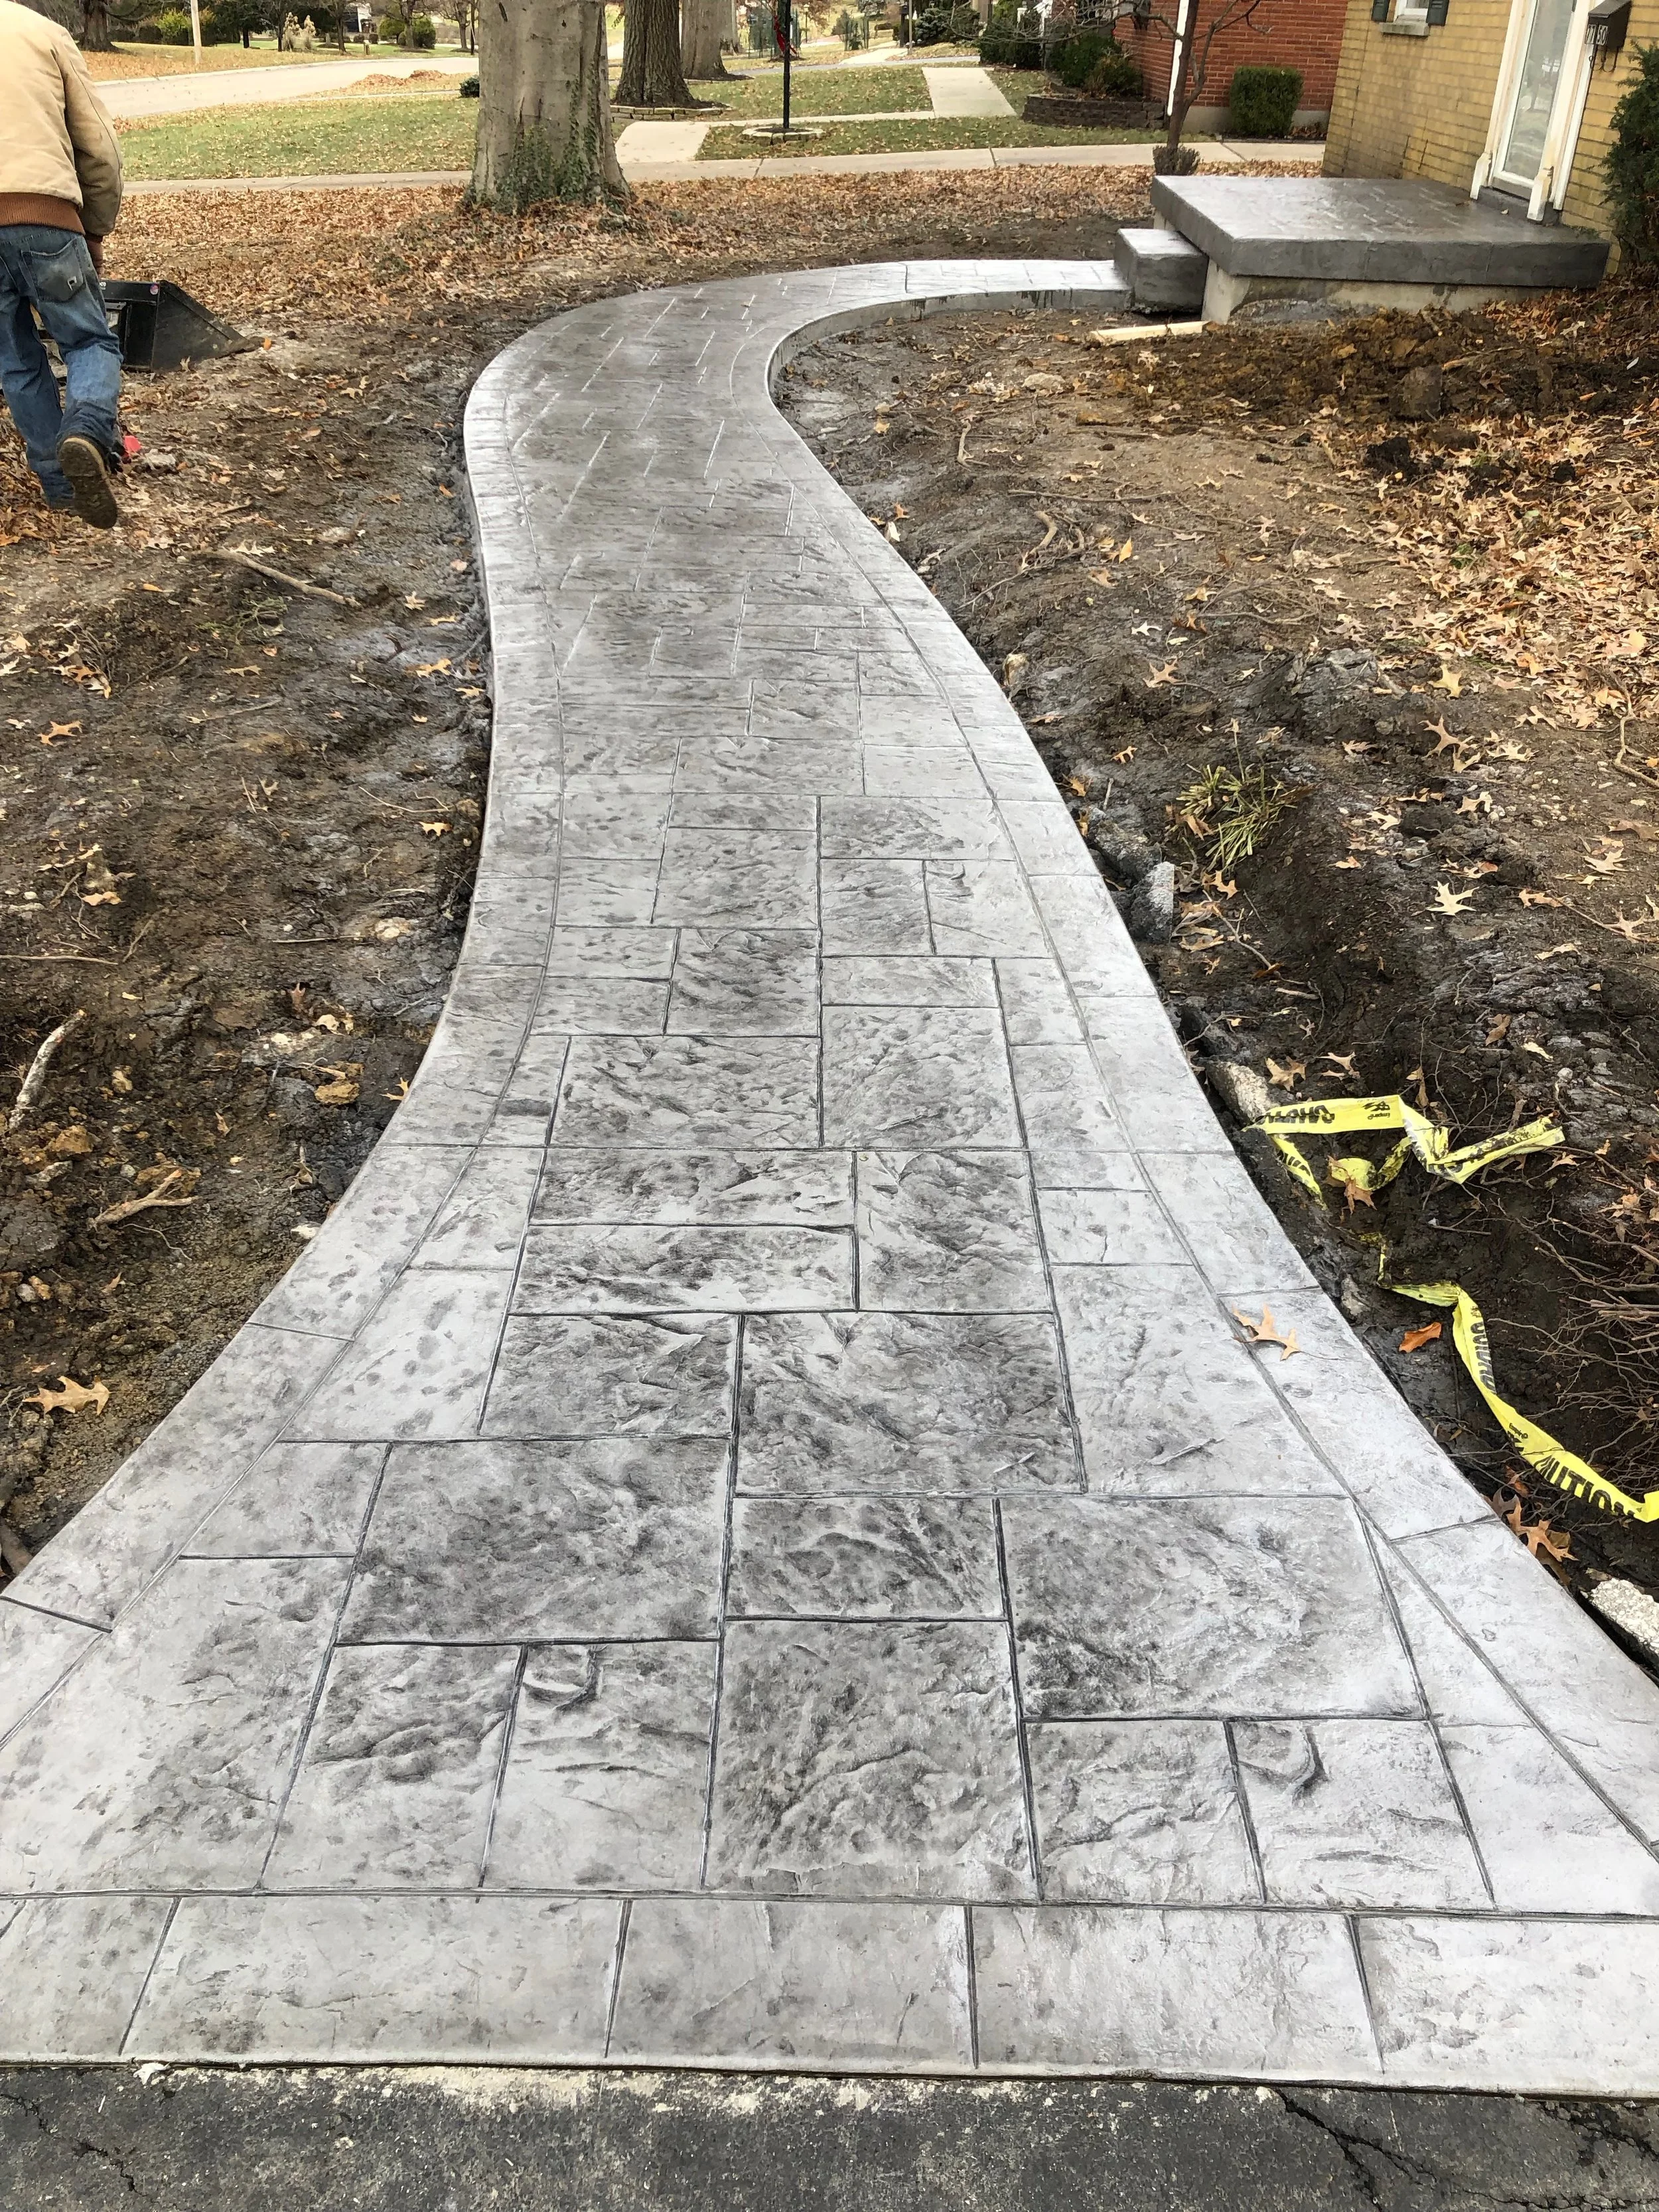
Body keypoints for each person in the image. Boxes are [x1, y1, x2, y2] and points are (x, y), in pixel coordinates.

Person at [0, 0, 125, 528]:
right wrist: (94, 227)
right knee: (89, 340)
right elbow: (98, 146)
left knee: (15, 361)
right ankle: (88, 431)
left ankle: (59, 484)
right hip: (43, 213)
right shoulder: (42, 32)